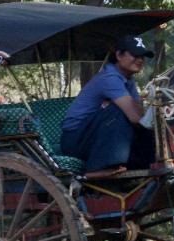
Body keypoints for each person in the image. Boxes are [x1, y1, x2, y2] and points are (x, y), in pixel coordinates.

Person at [60, 35, 158, 175]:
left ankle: (144, 168)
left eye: (143, 56)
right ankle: (97, 169)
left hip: (94, 135)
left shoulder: (128, 80)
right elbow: (136, 118)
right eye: (135, 54)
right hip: (76, 140)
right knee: (118, 111)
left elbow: (141, 117)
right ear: (118, 55)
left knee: (147, 131)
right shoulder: (110, 78)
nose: (140, 59)